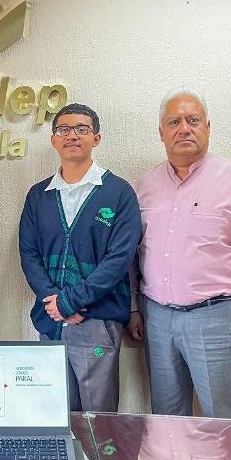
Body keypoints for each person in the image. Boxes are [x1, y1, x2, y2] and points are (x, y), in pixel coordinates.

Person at [134, 89, 231, 419]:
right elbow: (135, 254)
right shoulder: (145, 185)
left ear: (208, 127)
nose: (184, 129)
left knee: (224, 422)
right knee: (167, 421)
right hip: (157, 318)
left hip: (218, 318)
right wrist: (133, 309)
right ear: (161, 132)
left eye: (193, 120)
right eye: (174, 122)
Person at [19, 103, 141, 412]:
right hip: (50, 319)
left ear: (96, 138)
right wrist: (55, 302)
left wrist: (71, 301)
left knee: (98, 418)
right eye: (63, 129)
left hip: (97, 320)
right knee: (54, 414)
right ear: (54, 140)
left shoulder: (119, 193)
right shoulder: (38, 195)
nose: (72, 135)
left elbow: (119, 260)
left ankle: (99, 452)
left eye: (81, 129)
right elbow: (29, 254)